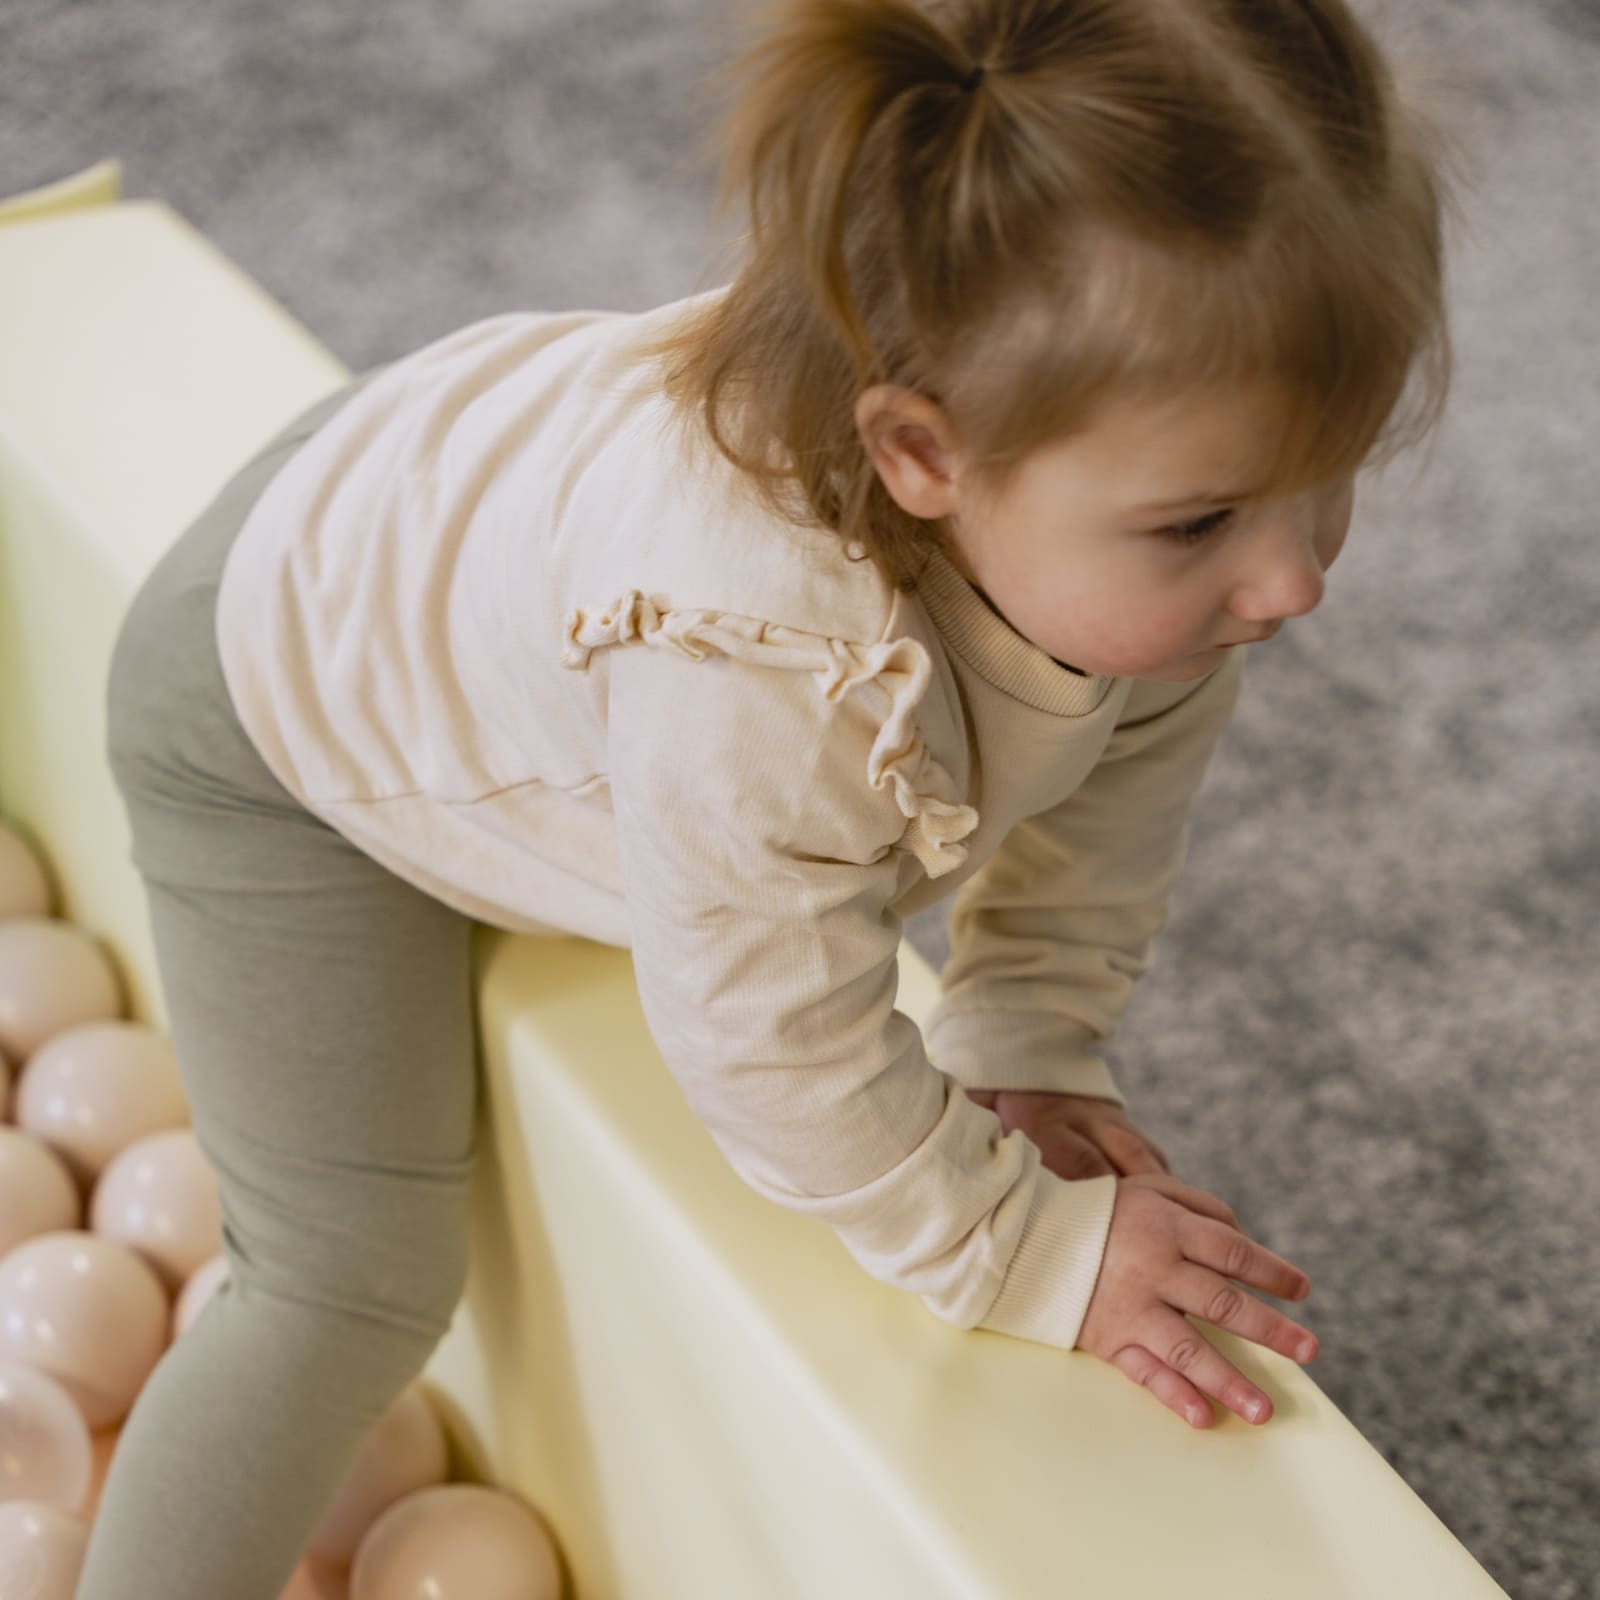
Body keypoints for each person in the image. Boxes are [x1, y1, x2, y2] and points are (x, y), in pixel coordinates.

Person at [80, 0, 1456, 1592]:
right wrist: (1015, 1247)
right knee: (347, 1284)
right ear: (920, 454)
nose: (1291, 579)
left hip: (453, 508)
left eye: (1329, 474)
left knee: (1129, 652)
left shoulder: (1113, 507)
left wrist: (1027, 1034)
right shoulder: (764, 663)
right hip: (278, 695)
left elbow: (1116, 762)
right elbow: (764, 1040)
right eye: (1204, 520)